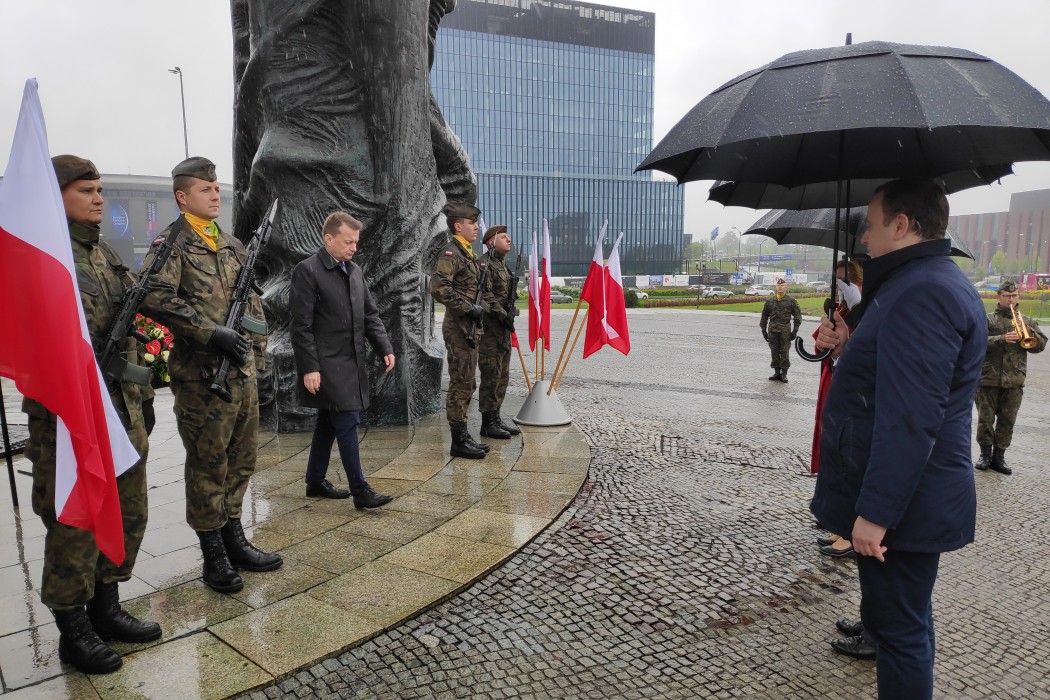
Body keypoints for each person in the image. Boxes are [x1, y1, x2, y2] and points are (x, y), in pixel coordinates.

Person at [811, 178, 986, 700]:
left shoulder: (924, 291)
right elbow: (895, 380)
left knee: (899, 633)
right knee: (905, 621)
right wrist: (848, 347)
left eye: (871, 222)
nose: (865, 235)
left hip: (904, 508)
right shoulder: (919, 281)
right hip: (912, 500)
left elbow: (911, 417)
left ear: (902, 225)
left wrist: (877, 514)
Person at [21, 156, 161, 674]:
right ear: (57, 196)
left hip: (119, 408)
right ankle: (73, 629)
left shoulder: (103, 252)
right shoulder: (43, 260)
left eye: (101, 189)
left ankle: (107, 608)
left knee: (127, 510)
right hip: (68, 418)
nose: (99, 198)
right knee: (74, 522)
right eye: (87, 190)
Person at [141, 156, 282, 595]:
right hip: (202, 377)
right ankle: (213, 555)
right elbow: (152, 295)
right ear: (183, 197)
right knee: (208, 464)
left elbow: (253, 307)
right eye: (205, 188)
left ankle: (234, 536)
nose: (215, 193)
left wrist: (256, 356)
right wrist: (209, 333)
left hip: (240, 372)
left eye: (217, 186)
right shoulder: (172, 244)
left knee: (242, 460)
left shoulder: (234, 244)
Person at [289, 212, 396, 508]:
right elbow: (300, 325)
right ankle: (360, 490)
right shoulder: (307, 271)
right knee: (347, 420)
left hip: (352, 362)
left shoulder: (354, 270)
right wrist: (309, 368)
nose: (353, 248)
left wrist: (384, 347)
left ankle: (315, 481)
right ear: (328, 239)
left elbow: (370, 314)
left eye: (356, 242)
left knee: (328, 422)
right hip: (326, 364)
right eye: (348, 242)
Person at [430, 201, 490, 459]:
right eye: (471, 223)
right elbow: (439, 288)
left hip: (469, 328)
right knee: (460, 384)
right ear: (458, 225)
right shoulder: (451, 253)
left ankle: (463, 435)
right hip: (458, 329)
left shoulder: (467, 253)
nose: (476, 227)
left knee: (468, 382)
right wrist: (468, 307)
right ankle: (458, 440)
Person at [973, 280, 1046, 475]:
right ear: (999, 297)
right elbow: (975, 341)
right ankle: (985, 455)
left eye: (1014, 295)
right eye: (1007, 296)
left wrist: (1029, 335)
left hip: (1014, 380)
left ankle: (999, 457)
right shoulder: (987, 319)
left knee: (1008, 420)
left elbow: (1040, 346)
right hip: (988, 378)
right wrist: (1001, 339)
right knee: (985, 420)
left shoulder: (1027, 321)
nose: (1011, 299)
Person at [478, 224, 521, 440]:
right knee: (491, 375)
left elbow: (504, 296)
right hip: (489, 331)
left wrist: (512, 310)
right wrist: (503, 314)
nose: (509, 240)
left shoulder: (503, 266)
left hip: (502, 331)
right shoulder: (485, 265)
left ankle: (495, 417)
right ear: (490, 242)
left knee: (503, 376)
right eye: (503, 237)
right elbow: (485, 297)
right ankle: (487, 423)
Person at [759, 277, 801, 382]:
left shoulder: (791, 301)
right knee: (774, 351)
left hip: (785, 331)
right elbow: (764, 317)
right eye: (778, 285)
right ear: (775, 287)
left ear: (786, 287)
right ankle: (776, 372)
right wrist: (764, 331)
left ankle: (784, 374)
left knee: (784, 352)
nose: (780, 287)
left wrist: (795, 331)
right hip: (772, 330)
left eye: (782, 285)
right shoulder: (770, 301)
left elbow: (797, 316)